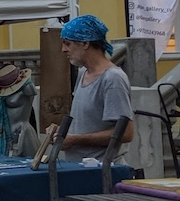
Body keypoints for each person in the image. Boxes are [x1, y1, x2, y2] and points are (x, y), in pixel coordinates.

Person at [49, 15, 133, 162]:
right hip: (80, 170)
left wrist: (76, 139)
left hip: (102, 171)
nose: (63, 50)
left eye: (67, 44)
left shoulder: (112, 78)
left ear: (85, 43)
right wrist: (61, 132)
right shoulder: (83, 73)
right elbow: (86, 123)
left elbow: (126, 133)